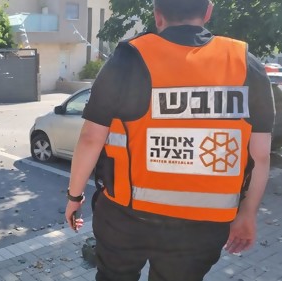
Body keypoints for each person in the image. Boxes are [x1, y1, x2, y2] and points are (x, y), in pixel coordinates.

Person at [65, 0, 275, 280]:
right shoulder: (245, 63)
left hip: (126, 218)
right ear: (208, 11)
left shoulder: (129, 57)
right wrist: (247, 214)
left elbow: (91, 137)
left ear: (158, 16)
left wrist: (74, 197)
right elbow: (260, 155)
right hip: (201, 228)